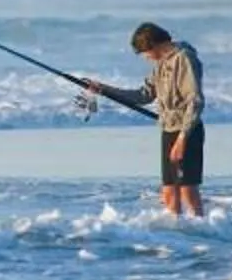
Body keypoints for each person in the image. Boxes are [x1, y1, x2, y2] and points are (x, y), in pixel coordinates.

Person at [86, 21, 204, 217]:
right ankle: (177, 231)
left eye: (145, 52)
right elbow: (144, 95)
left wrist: (183, 139)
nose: (146, 58)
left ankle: (201, 228)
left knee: (187, 188)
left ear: (155, 45)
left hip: (187, 131)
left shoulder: (184, 59)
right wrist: (103, 89)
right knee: (168, 190)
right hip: (168, 129)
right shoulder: (161, 64)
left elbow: (196, 100)